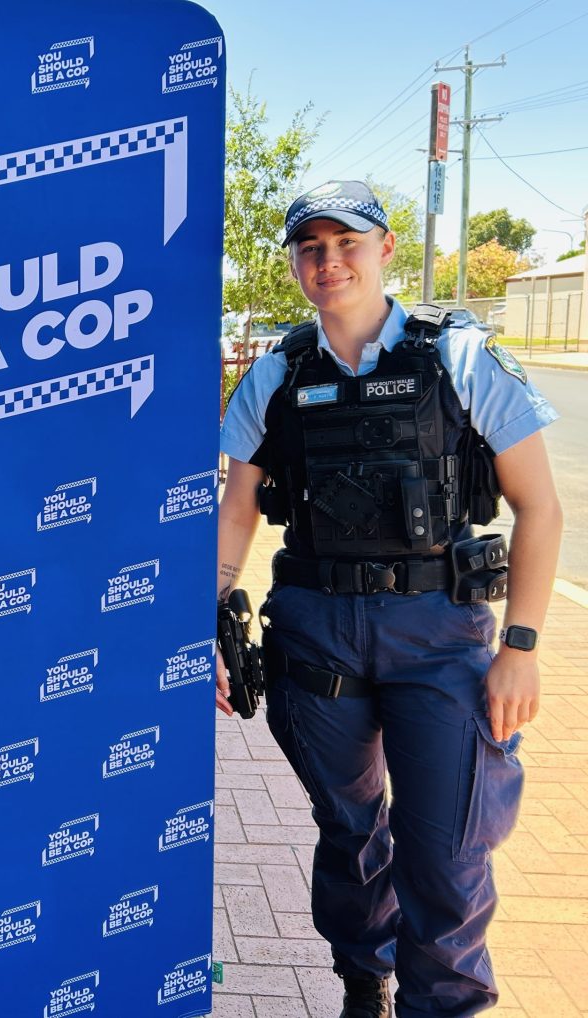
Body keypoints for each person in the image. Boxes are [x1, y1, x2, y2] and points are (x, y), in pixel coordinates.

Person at [215, 181, 562, 1018]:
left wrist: (520, 646)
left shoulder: (461, 357)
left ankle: (440, 1004)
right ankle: (363, 983)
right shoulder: (278, 374)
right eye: (311, 247)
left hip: (439, 634)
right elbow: (236, 509)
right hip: (318, 634)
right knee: (350, 831)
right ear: (297, 261)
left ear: (385, 249)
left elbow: (540, 506)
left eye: (347, 243)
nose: (328, 261)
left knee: (446, 849)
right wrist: (206, 622)